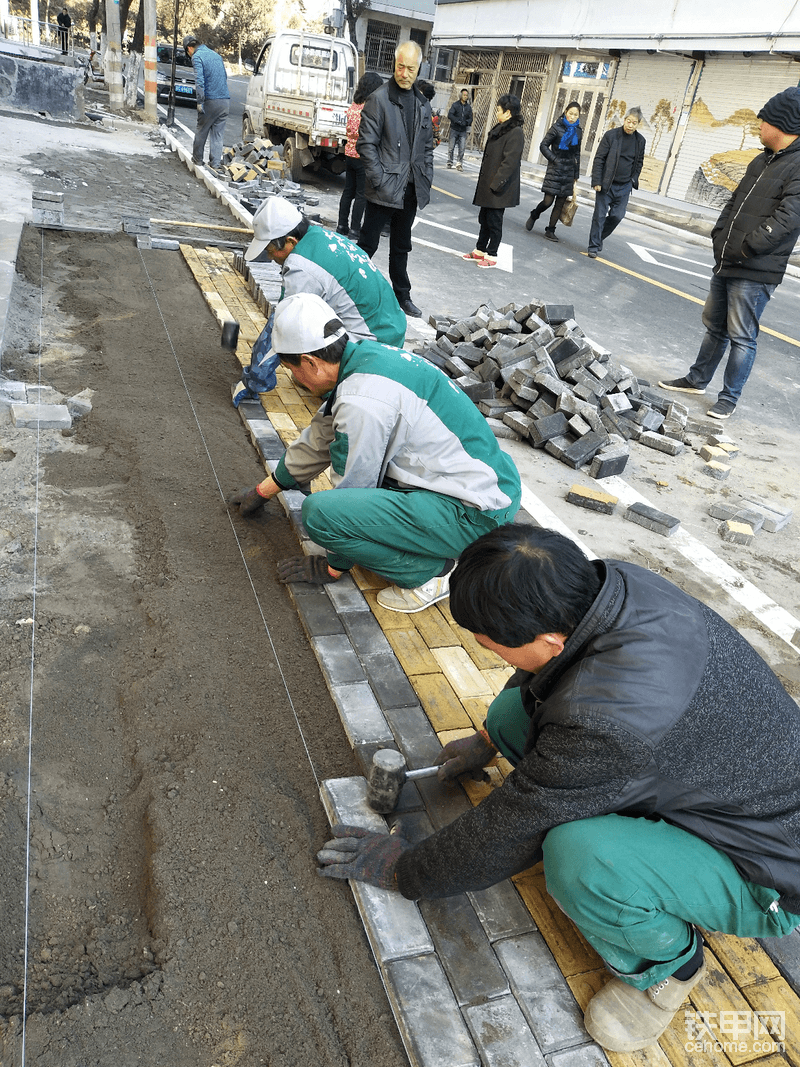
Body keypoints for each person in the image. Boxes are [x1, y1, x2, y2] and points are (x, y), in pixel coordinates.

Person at [317, 522, 800, 1052]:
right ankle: (649, 858)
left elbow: (512, 827)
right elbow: (549, 677)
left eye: (494, 646)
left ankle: (667, 968)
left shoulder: (607, 721)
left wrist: (404, 870)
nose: (492, 655)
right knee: (508, 715)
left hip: (769, 865)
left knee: (581, 856)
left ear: (549, 638)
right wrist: (485, 742)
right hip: (704, 774)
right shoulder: (614, 585)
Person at [228, 293, 521, 613]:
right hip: (481, 487)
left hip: (475, 513)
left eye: (290, 369)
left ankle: (431, 575)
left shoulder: (360, 401)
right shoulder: (363, 360)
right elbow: (320, 438)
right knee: (353, 508)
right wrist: (264, 490)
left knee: (321, 514)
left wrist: (333, 566)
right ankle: (431, 543)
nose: (293, 377)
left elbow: (351, 493)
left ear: (311, 363)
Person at [659, 85, 800, 421]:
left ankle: (729, 398)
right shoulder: (760, 159)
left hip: (756, 267)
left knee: (742, 336)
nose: (759, 126)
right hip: (728, 260)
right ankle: (696, 379)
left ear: (781, 124)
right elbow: (733, 204)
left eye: (763, 121)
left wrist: (748, 245)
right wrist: (720, 236)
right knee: (714, 327)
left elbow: (790, 217)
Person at [232, 197, 406, 404]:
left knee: (311, 374)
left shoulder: (302, 268)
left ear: (290, 241)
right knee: (302, 368)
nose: (271, 258)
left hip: (374, 344)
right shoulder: (320, 236)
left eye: (271, 251)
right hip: (392, 329)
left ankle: (353, 383)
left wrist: (254, 380)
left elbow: (281, 326)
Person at [356, 40, 434, 318]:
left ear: (419, 68)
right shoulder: (379, 99)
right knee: (368, 244)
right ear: (394, 64)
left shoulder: (423, 104)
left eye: (410, 68)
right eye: (400, 66)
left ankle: (403, 296)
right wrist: (379, 179)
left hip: (410, 188)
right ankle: (351, 288)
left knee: (401, 246)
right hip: (383, 188)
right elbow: (365, 145)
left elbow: (426, 147)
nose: (404, 73)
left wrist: (426, 176)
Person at [461, 94, 524, 269]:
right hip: (489, 184)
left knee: (495, 222)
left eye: (499, 110)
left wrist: (496, 184)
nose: (497, 112)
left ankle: (492, 254)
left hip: (499, 186)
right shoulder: (502, 127)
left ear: (508, 112)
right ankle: (480, 250)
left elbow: (510, 162)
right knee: (485, 219)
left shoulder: (516, 132)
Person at [586, 107, 645, 258]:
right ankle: (593, 246)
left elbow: (639, 162)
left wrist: (633, 179)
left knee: (617, 216)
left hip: (625, 186)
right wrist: (597, 180)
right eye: (628, 121)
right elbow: (599, 158)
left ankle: (598, 238)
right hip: (607, 184)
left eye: (634, 123)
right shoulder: (611, 136)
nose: (630, 125)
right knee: (599, 215)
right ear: (624, 120)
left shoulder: (640, 141)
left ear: (638, 124)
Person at [525, 101, 582, 243]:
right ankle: (535, 214)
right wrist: (554, 159)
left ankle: (550, 230)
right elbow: (543, 145)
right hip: (555, 168)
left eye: (576, 115)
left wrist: (576, 174)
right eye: (570, 113)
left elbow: (577, 154)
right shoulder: (556, 127)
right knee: (548, 201)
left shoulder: (579, 131)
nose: (572, 117)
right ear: (565, 112)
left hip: (569, 170)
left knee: (560, 203)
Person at [337, 72, 384, 242]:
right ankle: (355, 229)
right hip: (363, 157)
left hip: (349, 154)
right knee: (361, 195)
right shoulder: (369, 109)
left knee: (348, 191)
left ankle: (342, 225)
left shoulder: (353, 107)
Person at [183, 34, 230, 172]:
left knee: (202, 130)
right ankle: (215, 164)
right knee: (218, 134)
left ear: (189, 48)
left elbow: (200, 81)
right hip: (225, 101)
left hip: (211, 101)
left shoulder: (197, 57)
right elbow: (225, 77)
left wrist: (200, 101)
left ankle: (197, 159)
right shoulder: (216, 56)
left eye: (187, 53)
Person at [447, 88, 473, 170]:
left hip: (463, 130)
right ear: (461, 95)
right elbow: (450, 115)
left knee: (462, 148)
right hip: (454, 129)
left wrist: (466, 122)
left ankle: (459, 163)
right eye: (464, 95)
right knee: (451, 147)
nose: (465, 96)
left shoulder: (468, 107)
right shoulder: (455, 105)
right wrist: (457, 121)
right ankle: (449, 161)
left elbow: (470, 118)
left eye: (466, 95)